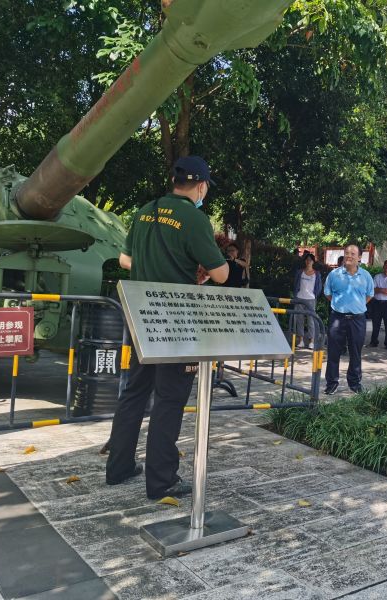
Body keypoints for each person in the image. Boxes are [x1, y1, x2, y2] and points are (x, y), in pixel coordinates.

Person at [105, 155, 229, 500]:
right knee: (169, 398)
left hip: (141, 315)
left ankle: (118, 467)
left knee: (135, 391)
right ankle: (161, 481)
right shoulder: (195, 218)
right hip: (177, 320)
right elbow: (221, 274)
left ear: (175, 181)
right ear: (201, 186)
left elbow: (125, 260)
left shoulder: (146, 210)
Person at [324, 244, 374, 394]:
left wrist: (356, 306)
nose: (349, 256)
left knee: (356, 352)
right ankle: (332, 383)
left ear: (359, 257)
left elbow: (369, 295)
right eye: (347, 253)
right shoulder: (334, 274)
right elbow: (328, 294)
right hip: (337, 318)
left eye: (353, 253)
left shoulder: (366, 276)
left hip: (358, 319)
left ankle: (354, 383)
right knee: (333, 352)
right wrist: (341, 305)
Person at [292, 253, 322, 349]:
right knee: (299, 319)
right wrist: (295, 294)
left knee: (311, 320)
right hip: (300, 297)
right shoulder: (300, 272)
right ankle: (301, 340)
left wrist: (315, 295)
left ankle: (311, 341)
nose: (308, 261)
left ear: (313, 261)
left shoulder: (317, 274)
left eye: (310, 260)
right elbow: (295, 284)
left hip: (311, 299)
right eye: (307, 259)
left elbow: (319, 287)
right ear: (305, 261)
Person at [369, 258, 387, 350]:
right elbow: (373, 290)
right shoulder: (377, 277)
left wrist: (379, 289)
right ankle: (374, 342)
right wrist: (383, 290)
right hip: (377, 303)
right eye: (385, 265)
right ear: (383, 266)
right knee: (375, 324)